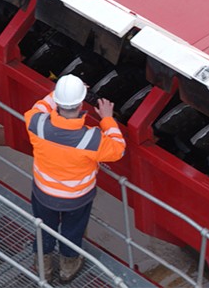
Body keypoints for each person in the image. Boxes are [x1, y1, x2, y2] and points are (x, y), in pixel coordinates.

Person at [25, 74, 126, 283]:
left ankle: (43, 267)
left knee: (44, 228)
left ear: (59, 103)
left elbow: (39, 106)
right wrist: (107, 118)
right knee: (72, 231)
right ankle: (68, 268)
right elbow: (118, 149)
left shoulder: (36, 124)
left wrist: (57, 94)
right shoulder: (92, 139)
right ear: (81, 104)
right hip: (77, 199)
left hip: (43, 194)